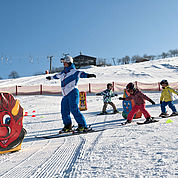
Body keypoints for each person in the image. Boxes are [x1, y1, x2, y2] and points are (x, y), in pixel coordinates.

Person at [46, 55, 96, 132]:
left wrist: (88, 75)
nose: (63, 64)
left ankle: (83, 126)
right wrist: (51, 78)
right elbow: (57, 76)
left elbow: (81, 74)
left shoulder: (73, 71)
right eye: (63, 62)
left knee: (74, 109)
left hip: (73, 92)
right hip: (65, 95)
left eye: (64, 62)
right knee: (64, 111)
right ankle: (67, 126)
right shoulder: (63, 73)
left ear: (69, 62)